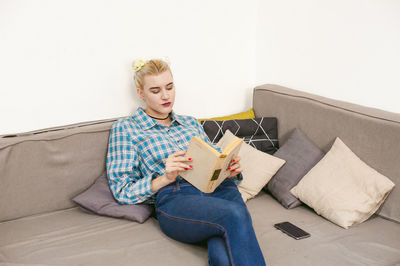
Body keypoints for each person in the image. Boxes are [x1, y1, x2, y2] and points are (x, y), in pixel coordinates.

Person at [106, 58, 266, 266]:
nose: (166, 96)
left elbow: (213, 163)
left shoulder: (191, 123)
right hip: (177, 196)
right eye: (155, 91)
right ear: (141, 93)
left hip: (221, 188)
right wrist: (165, 177)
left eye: (170, 87)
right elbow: (121, 191)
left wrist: (229, 170)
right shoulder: (126, 128)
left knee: (222, 248)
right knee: (234, 214)